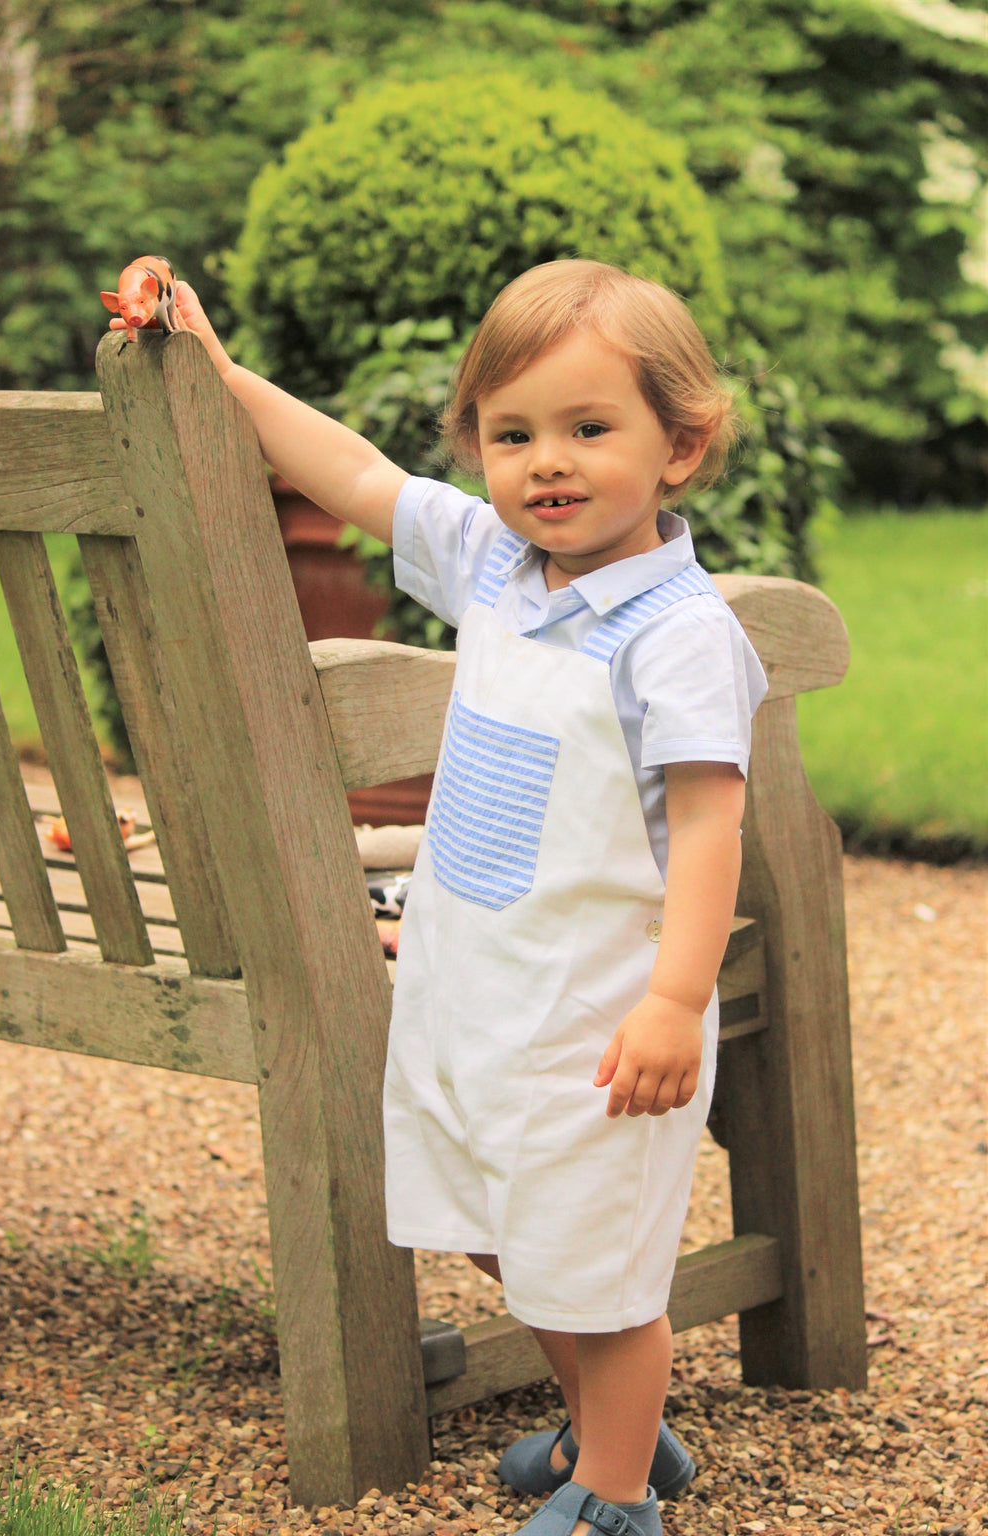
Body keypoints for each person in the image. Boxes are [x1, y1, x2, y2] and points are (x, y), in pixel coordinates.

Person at [159, 260, 767, 1536]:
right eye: (512, 434)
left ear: (682, 441)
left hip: (600, 1020)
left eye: (589, 428)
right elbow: (359, 478)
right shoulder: (497, 566)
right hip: (475, 996)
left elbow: (713, 825)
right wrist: (219, 373)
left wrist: (675, 1000)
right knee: (503, 1226)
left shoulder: (678, 635)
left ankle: (610, 1493)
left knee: (593, 1259)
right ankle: (623, 1427)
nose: (546, 462)